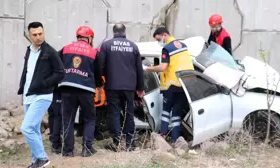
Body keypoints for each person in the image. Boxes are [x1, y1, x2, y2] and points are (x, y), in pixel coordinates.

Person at [18, 21, 65, 168]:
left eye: (41, 33)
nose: (38, 37)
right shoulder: (29, 50)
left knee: (26, 128)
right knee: (34, 129)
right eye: (35, 35)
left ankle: (42, 158)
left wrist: (45, 84)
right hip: (28, 95)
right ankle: (36, 162)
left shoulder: (50, 52)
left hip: (43, 95)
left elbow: (61, 73)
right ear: (29, 35)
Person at [57, 25, 104, 157]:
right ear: (89, 38)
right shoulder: (94, 52)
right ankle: (87, 149)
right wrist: (99, 84)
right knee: (89, 118)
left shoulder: (65, 49)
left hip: (67, 87)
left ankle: (68, 151)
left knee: (68, 119)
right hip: (86, 89)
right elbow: (99, 71)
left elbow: (56, 64)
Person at [143, 27, 194, 146]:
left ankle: (162, 134)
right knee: (176, 113)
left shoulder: (167, 48)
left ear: (164, 35)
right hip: (184, 84)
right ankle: (175, 139)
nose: (159, 41)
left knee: (166, 111)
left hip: (171, 85)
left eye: (159, 39)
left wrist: (147, 68)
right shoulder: (183, 45)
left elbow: (163, 68)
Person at [99, 23, 145, 152]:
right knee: (129, 114)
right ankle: (130, 143)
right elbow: (139, 69)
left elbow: (100, 65)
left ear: (113, 32)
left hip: (112, 85)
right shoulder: (133, 46)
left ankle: (117, 142)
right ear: (125, 31)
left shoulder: (106, 45)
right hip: (129, 87)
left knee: (114, 113)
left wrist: (100, 82)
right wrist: (140, 87)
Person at [48, 86, 62, 155]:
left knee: (52, 116)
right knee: (57, 117)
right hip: (56, 91)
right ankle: (55, 144)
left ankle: (53, 140)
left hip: (48, 92)